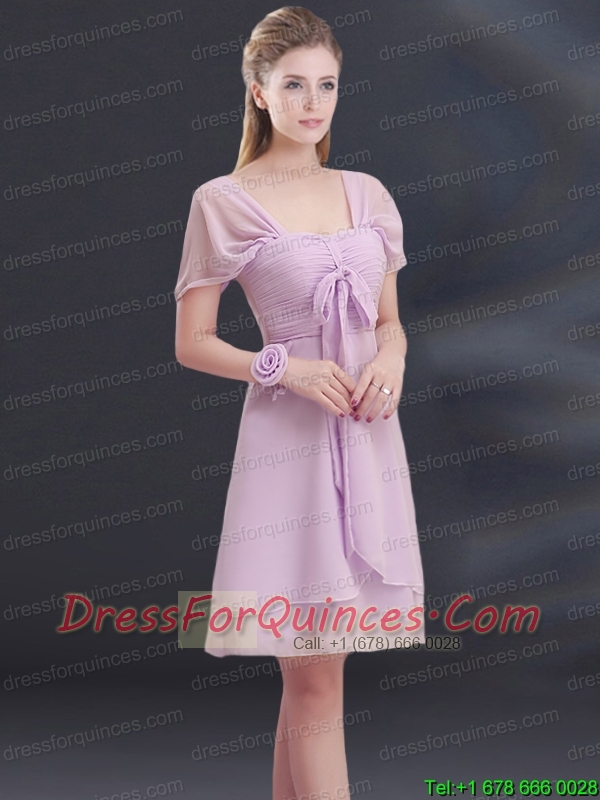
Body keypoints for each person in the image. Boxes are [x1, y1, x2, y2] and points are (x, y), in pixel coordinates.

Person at [173, 7, 425, 799]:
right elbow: (192, 341)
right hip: (289, 449)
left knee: (314, 677)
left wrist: (391, 357)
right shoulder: (223, 200)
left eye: (327, 85)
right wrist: (283, 367)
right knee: (314, 677)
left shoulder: (367, 193)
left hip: (369, 438)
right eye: (294, 86)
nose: (313, 103)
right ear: (259, 91)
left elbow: (388, 322)